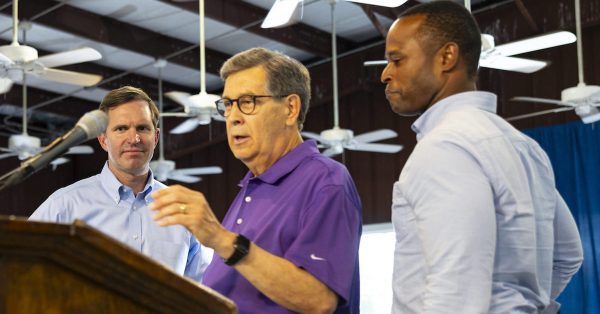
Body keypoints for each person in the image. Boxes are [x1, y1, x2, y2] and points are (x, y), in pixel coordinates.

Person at [380, 1, 584, 313]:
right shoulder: (524, 147)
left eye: (397, 59)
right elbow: (568, 255)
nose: (385, 74)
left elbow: (456, 292)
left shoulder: (444, 147)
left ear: (446, 57)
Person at [150, 47, 362, 314]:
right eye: (227, 105)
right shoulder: (250, 188)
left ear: (290, 108)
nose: (234, 117)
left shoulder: (325, 181)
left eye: (248, 101)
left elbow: (319, 299)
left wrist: (221, 239)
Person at [29, 86, 209, 282]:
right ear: (103, 139)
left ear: (155, 137)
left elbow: (205, 289)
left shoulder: (182, 212)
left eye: (143, 128)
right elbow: (22, 272)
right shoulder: (64, 206)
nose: (134, 139)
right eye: (121, 129)